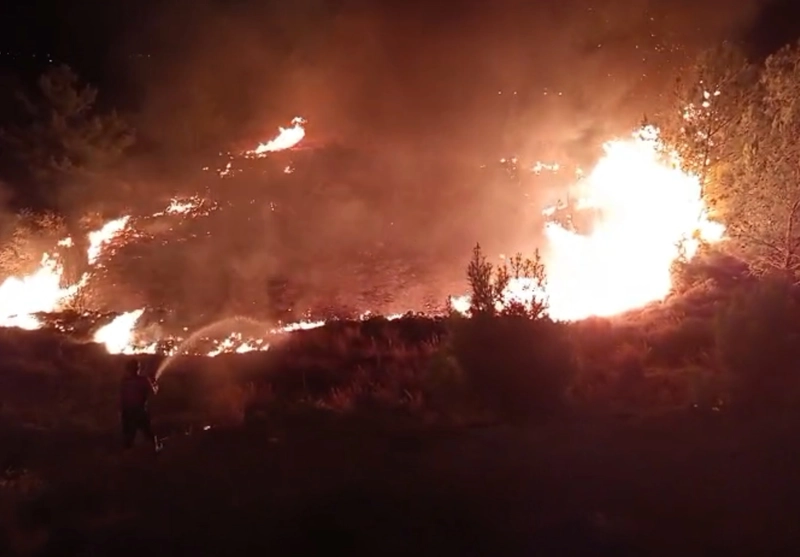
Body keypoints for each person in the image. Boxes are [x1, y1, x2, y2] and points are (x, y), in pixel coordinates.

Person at [120, 359, 162, 453]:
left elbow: (122, 397)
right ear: (138, 369)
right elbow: (153, 392)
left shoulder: (124, 381)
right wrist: (155, 385)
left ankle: (126, 455)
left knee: (128, 436)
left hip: (127, 412)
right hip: (140, 411)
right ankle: (155, 450)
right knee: (148, 433)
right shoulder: (143, 380)